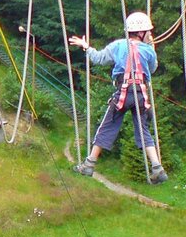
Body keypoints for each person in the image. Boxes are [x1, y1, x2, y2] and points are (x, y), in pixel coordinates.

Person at [68, 12, 168, 184]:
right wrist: (151, 48)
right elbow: (152, 69)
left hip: (123, 92)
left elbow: (99, 58)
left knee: (106, 126)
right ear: (141, 33)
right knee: (143, 130)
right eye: (148, 32)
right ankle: (157, 167)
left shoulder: (118, 45)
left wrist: (86, 46)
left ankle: (89, 164)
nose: (150, 34)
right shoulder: (148, 50)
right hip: (141, 95)